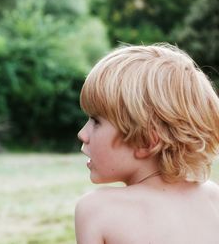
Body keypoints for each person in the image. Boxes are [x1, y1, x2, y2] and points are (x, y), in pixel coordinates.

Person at [75, 43, 219, 244]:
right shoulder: (213, 199)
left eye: (96, 121)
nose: (83, 134)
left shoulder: (97, 210)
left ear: (146, 142)